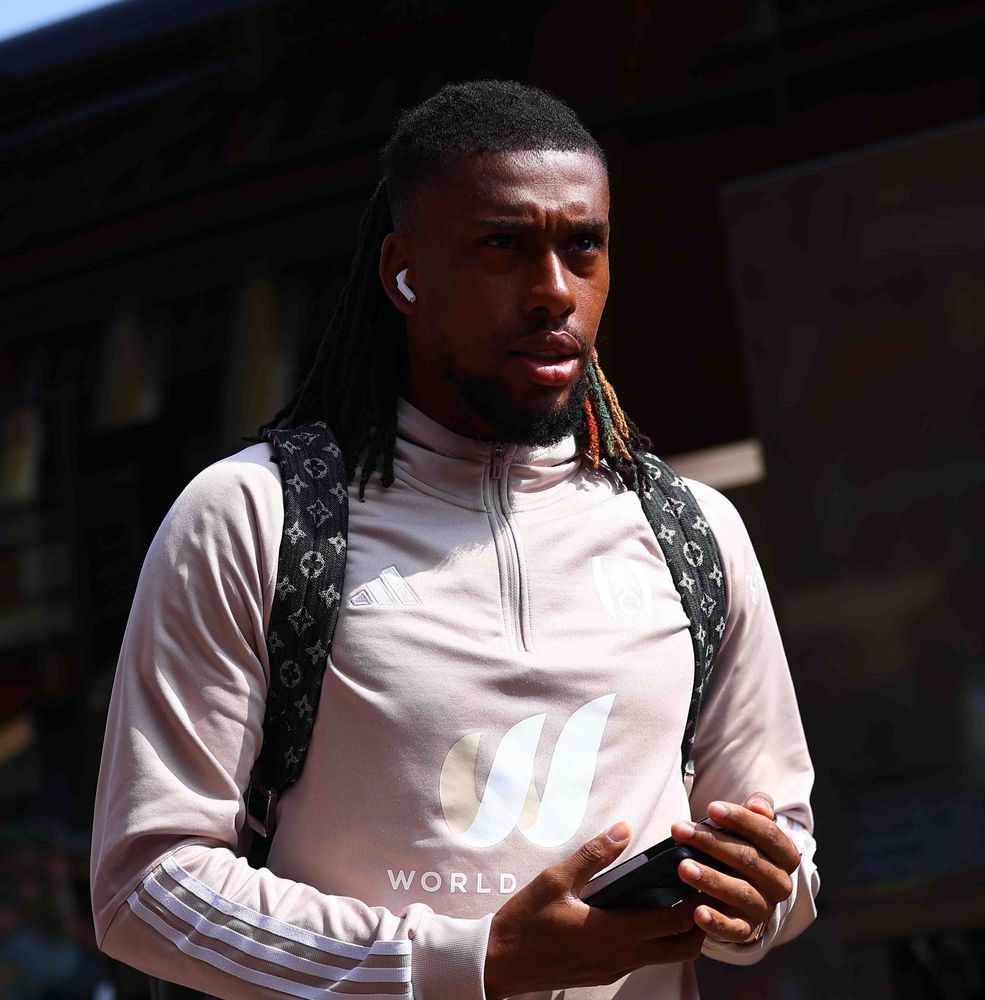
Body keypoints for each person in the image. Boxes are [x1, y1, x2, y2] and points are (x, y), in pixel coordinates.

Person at [90, 79, 819, 999]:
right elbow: (147, 888)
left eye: (582, 247)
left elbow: (784, 846)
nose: (553, 292)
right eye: (503, 246)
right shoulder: (253, 517)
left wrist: (759, 899)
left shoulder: (693, 531)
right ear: (404, 272)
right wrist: (469, 963)